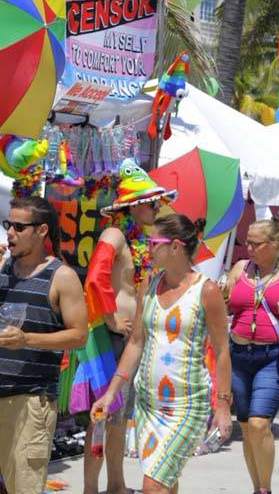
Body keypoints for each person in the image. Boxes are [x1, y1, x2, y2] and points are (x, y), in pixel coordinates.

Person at [0, 196, 87, 494]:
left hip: (30, 400)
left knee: (24, 487)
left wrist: (27, 340)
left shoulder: (62, 277)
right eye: (8, 224)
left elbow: (78, 335)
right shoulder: (0, 270)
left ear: (41, 231)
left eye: (19, 227)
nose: (9, 232)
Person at [91, 214, 233, 493]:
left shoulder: (207, 291)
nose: (148, 248)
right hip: (148, 405)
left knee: (153, 485)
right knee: (166, 481)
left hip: (186, 406)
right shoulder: (149, 284)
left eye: (154, 242)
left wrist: (223, 405)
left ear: (176, 247)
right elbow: (136, 343)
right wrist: (111, 394)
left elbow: (221, 350)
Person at [80, 159, 175, 494]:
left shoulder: (139, 239)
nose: (156, 208)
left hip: (129, 336)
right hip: (111, 337)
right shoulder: (114, 234)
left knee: (118, 419)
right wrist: (109, 317)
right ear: (134, 207)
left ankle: (116, 485)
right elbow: (94, 279)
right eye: (151, 203)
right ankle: (92, 489)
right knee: (103, 416)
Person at [223, 219, 279, 494]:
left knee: (261, 423)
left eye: (256, 243)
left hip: (272, 358)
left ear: (276, 245)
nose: (248, 247)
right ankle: (257, 487)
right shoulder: (240, 268)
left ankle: (265, 489)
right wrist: (222, 293)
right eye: (246, 242)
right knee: (247, 426)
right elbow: (226, 303)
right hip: (237, 355)